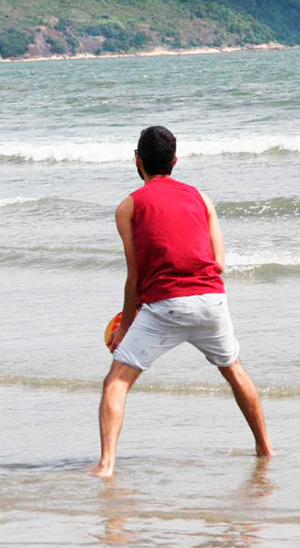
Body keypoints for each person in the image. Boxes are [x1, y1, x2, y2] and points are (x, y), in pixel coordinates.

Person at [91, 126, 274, 477]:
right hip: (211, 301)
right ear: (175, 161)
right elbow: (219, 262)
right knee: (234, 369)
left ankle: (106, 465)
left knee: (116, 380)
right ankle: (265, 447)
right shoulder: (201, 198)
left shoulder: (128, 206)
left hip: (165, 306)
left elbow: (134, 275)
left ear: (137, 161)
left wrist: (125, 329)